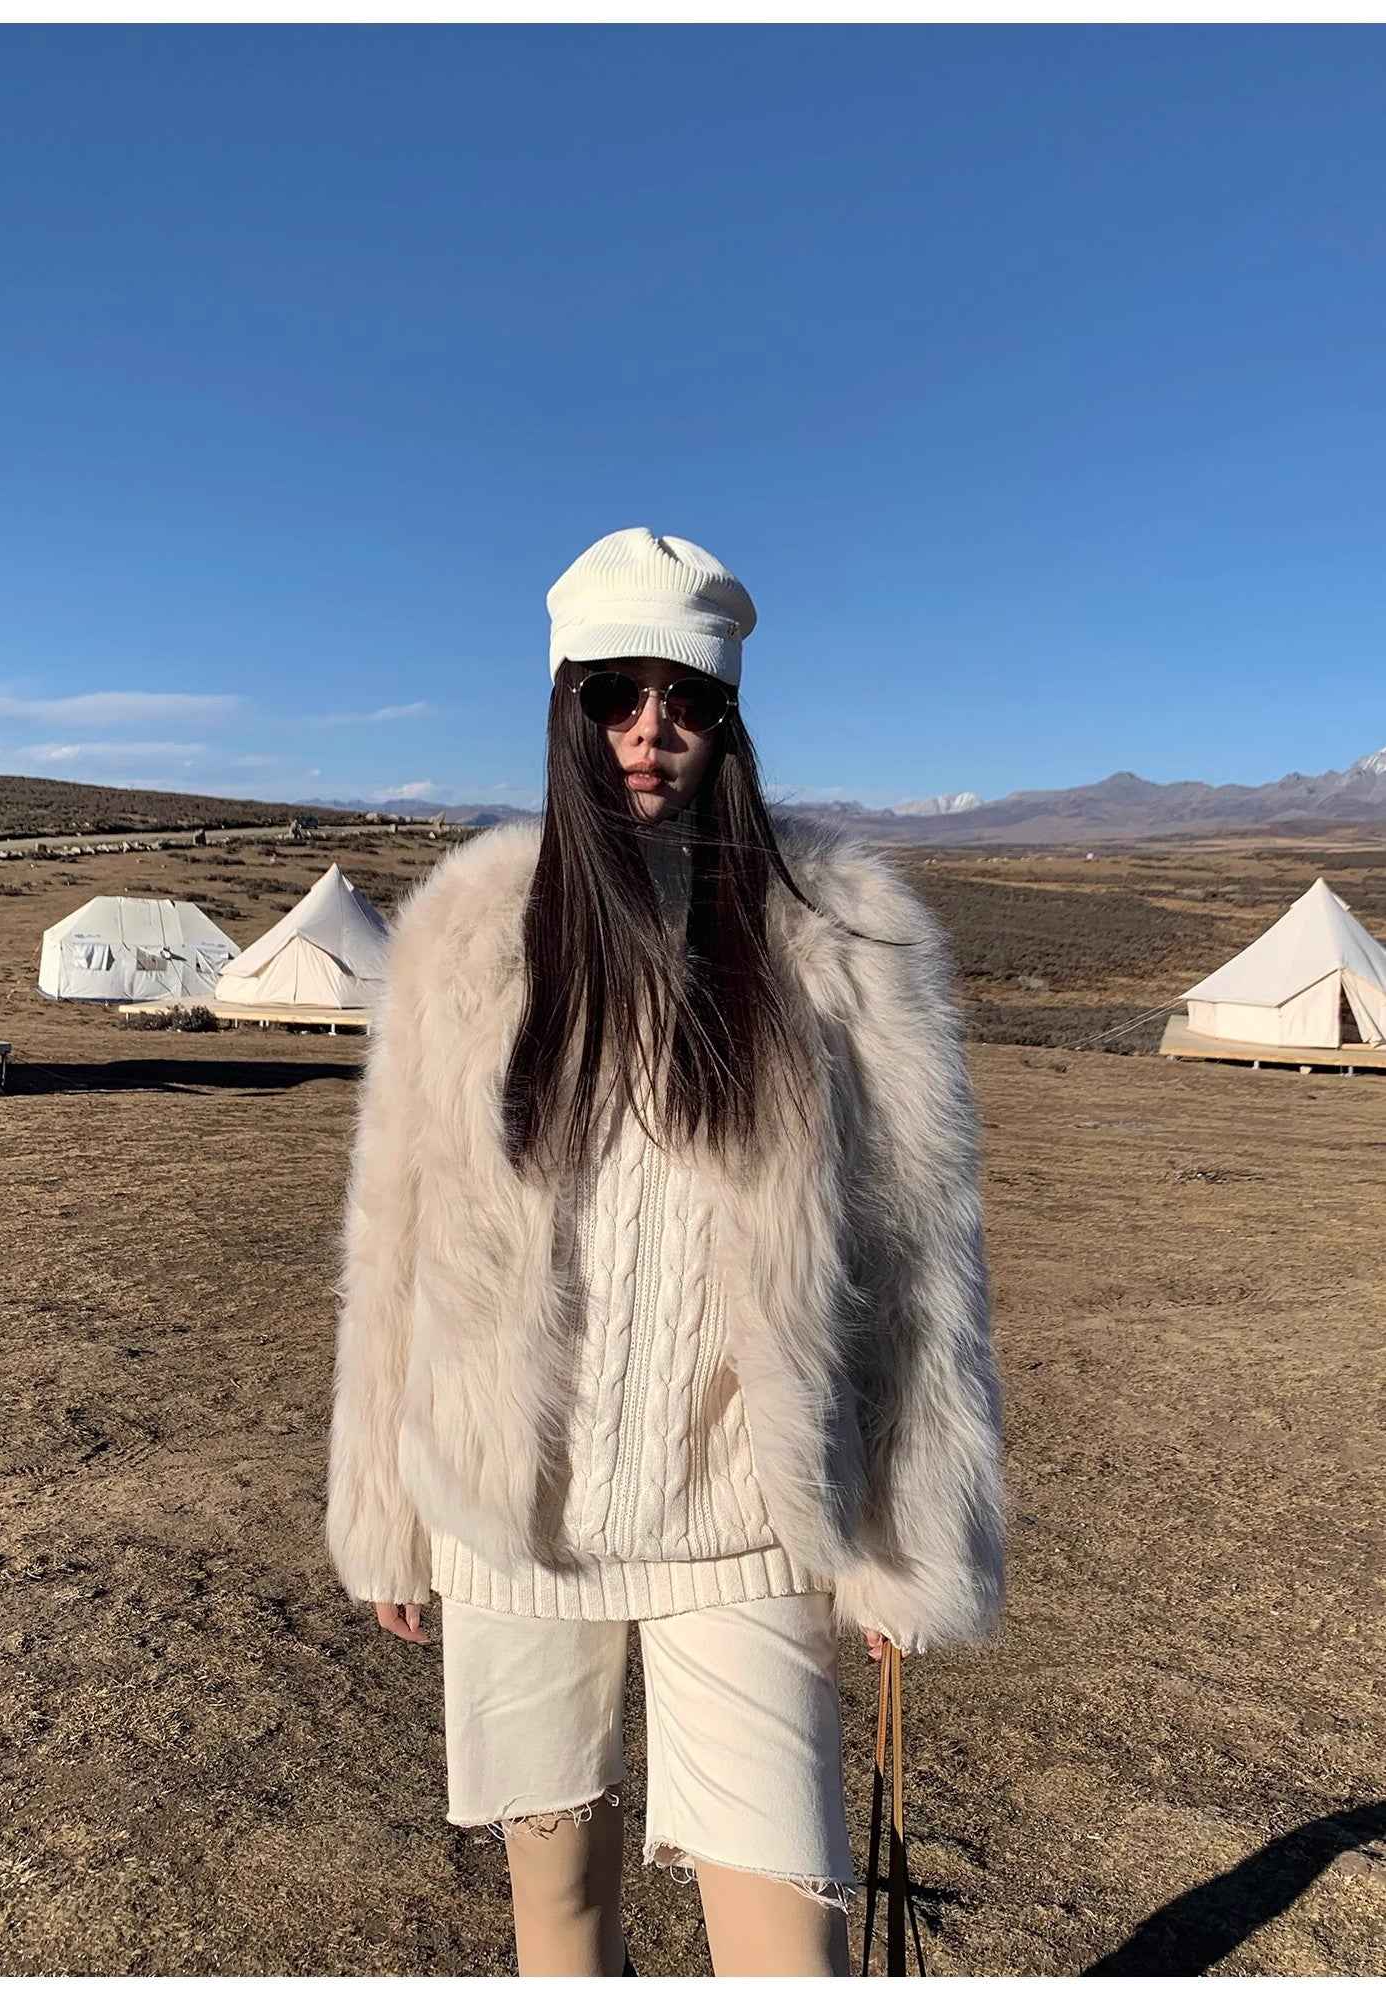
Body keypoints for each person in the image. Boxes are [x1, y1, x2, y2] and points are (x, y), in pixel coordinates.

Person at [326, 527, 1005, 1978]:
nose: (651, 731)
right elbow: (399, 1236)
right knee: (558, 1919)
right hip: (517, 1513)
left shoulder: (838, 933)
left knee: (788, 1949)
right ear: (564, 705)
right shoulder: (466, 930)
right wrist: (382, 1503)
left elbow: (917, 1259)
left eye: (687, 698)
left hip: (743, 1517)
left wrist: (907, 1537)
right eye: (615, 695)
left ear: (729, 717)